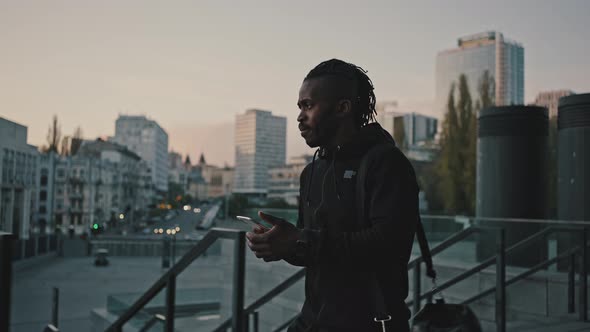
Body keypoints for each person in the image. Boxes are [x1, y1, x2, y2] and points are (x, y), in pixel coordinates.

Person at [246, 59, 419, 332]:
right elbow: (314, 250)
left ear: (342, 108)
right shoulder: (311, 172)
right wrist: (280, 245)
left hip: (370, 325)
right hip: (312, 322)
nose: (300, 116)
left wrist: (300, 240)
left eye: (308, 105)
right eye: (299, 107)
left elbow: (387, 246)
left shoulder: (386, 163)